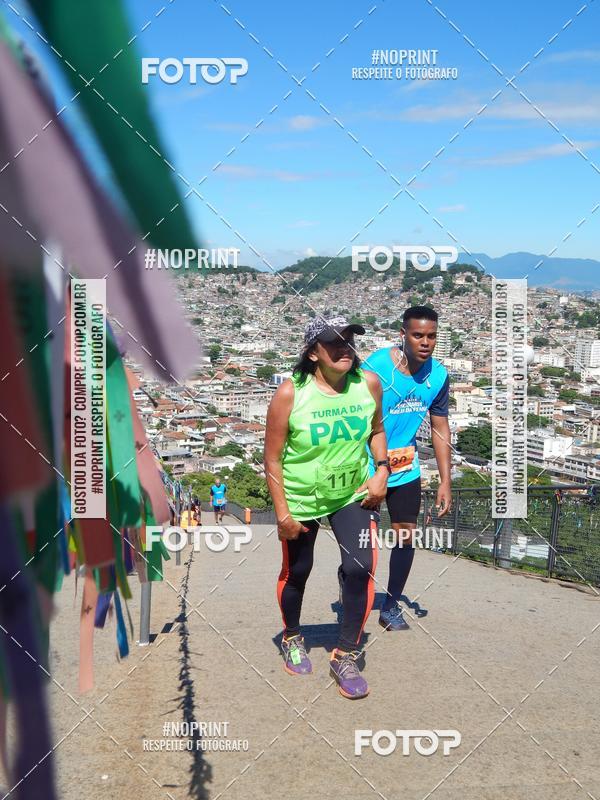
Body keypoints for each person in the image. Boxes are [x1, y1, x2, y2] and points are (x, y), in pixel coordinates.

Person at [264, 315, 388, 699]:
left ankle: (346, 653)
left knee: (360, 567)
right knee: (298, 570)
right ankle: (292, 636)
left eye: (349, 340)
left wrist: (381, 471)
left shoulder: (367, 384)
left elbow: (377, 430)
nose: (344, 348)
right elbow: (272, 458)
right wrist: (282, 514)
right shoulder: (291, 393)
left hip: (351, 493)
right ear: (313, 352)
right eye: (333, 342)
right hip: (301, 497)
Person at [357, 306, 452, 631]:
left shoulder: (438, 375)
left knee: (405, 538)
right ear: (403, 335)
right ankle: (354, 603)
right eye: (418, 335)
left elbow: (440, 427)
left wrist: (445, 480)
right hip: (366, 465)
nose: (425, 342)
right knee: (361, 544)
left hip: (405, 467)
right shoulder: (376, 367)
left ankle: (391, 604)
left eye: (431, 336)